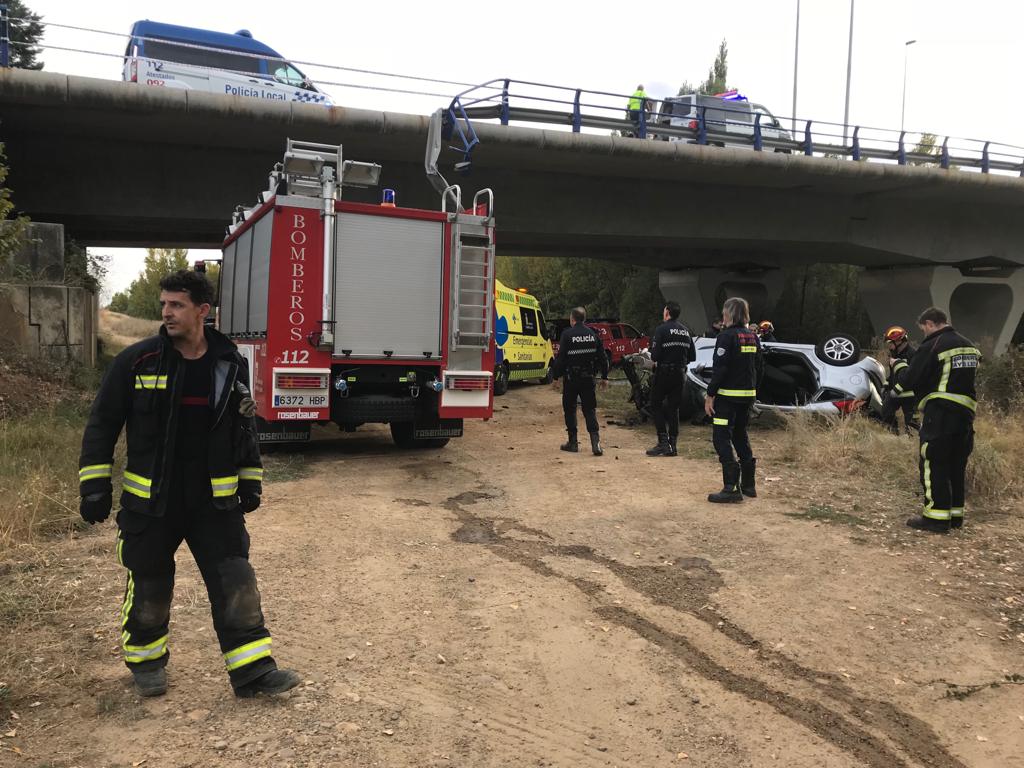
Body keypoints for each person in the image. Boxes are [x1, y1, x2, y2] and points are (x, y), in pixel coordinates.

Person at [78, 269, 300, 698]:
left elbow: (243, 424)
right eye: (164, 304)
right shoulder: (138, 360)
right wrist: (94, 485)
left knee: (236, 580)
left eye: (176, 304)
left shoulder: (228, 362)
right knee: (150, 583)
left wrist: (250, 479)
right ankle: (146, 665)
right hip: (151, 503)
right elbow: (102, 424)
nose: (166, 312)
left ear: (203, 311)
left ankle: (253, 672)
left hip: (213, 503)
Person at [901, 307, 980, 533]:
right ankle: (955, 517)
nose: (924, 333)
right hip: (965, 414)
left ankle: (935, 519)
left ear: (929, 323)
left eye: (923, 328)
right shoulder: (970, 346)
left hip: (941, 411)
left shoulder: (934, 344)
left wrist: (900, 373)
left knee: (933, 461)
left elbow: (912, 378)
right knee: (956, 463)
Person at [704, 297, 764, 503]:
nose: (722, 316)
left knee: (721, 437)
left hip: (727, 398)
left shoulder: (726, 337)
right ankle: (749, 485)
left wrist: (710, 394)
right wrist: (753, 390)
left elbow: (720, 369)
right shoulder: (752, 337)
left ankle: (731, 487)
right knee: (740, 435)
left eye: (724, 312)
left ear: (729, 314)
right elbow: (760, 367)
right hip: (747, 398)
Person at [551, 307, 609, 456]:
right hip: (588, 379)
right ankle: (596, 444)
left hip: (571, 379)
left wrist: (556, 377)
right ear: (584, 319)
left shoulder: (567, 334)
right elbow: (603, 358)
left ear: (572, 319)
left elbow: (561, 358)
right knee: (589, 410)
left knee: (570, 409)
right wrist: (604, 377)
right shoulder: (593, 334)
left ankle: (573, 443)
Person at [646, 301, 695, 457]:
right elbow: (692, 356)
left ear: (667, 312)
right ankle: (673, 445)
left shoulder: (661, 330)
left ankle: (663, 443)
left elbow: (655, 356)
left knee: (655, 405)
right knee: (674, 409)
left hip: (664, 373)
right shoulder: (686, 331)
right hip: (680, 375)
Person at [879, 325, 918, 433]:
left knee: (912, 423)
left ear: (900, 341)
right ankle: (892, 436)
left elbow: (911, 377)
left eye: (890, 343)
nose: (889, 347)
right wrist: (886, 385)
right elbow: (892, 375)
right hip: (894, 392)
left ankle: (912, 440)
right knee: (886, 413)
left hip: (910, 395)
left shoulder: (913, 355)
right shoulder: (894, 354)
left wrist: (896, 390)